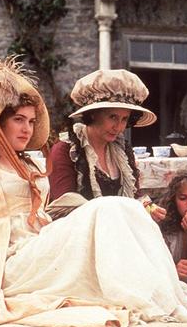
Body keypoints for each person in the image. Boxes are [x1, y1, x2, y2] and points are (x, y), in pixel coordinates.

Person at [0, 57, 187, 327]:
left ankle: (161, 297)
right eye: (18, 120)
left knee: (130, 208)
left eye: (31, 121)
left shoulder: (31, 166)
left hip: (39, 250)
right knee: (107, 207)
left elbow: (45, 218)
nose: (27, 129)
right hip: (8, 265)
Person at [48, 69, 167, 220]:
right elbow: (64, 208)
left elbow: (133, 197)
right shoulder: (66, 150)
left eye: (124, 119)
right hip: (79, 233)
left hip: (118, 229)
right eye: (113, 117)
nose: (119, 127)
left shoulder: (122, 151)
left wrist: (144, 207)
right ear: (93, 114)